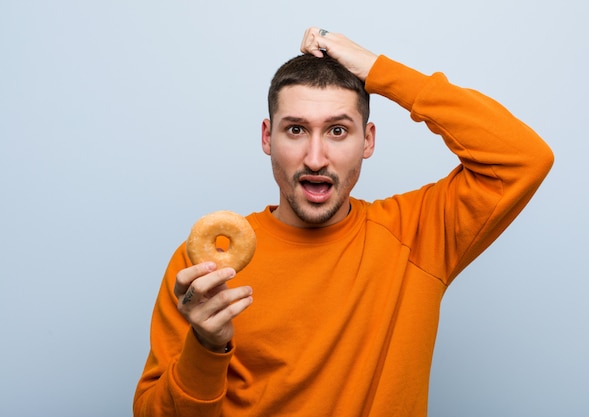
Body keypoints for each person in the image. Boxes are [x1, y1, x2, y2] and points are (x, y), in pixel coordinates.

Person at [133, 27, 554, 417]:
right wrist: (206, 347)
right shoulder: (205, 272)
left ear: (367, 140)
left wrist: (377, 69)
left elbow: (524, 158)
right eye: (296, 130)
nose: (315, 158)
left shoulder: (417, 235)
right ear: (267, 137)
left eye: (338, 131)